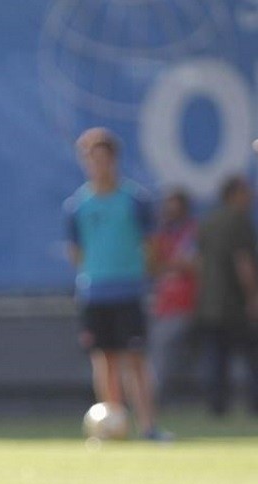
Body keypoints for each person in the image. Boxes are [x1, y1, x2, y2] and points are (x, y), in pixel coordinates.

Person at [64, 127, 170, 440]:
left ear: (114, 160)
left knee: (135, 359)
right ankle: (112, 425)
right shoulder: (77, 206)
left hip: (128, 290)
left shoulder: (135, 200)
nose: (97, 165)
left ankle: (149, 426)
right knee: (105, 359)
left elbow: (151, 246)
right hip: (95, 292)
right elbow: (76, 252)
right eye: (91, 159)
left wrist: (139, 272)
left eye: (103, 159)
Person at [195, 176, 258, 416]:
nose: (251, 196)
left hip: (209, 304)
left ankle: (216, 408)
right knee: (253, 358)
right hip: (235, 304)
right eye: (246, 191)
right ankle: (255, 405)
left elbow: (199, 263)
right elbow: (244, 264)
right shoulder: (238, 220)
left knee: (215, 360)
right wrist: (253, 298)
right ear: (233, 195)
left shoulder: (208, 222)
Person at [146, 188, 198, 405]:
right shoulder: (160, 236)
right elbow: (151, 266)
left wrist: (169, 265)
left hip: (188, 304)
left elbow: (194, 265)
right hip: (162, 304)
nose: (169, 212)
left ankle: (150, 399)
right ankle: (146, 397)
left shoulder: (194, 233)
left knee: (162, 344)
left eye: (174, 207)